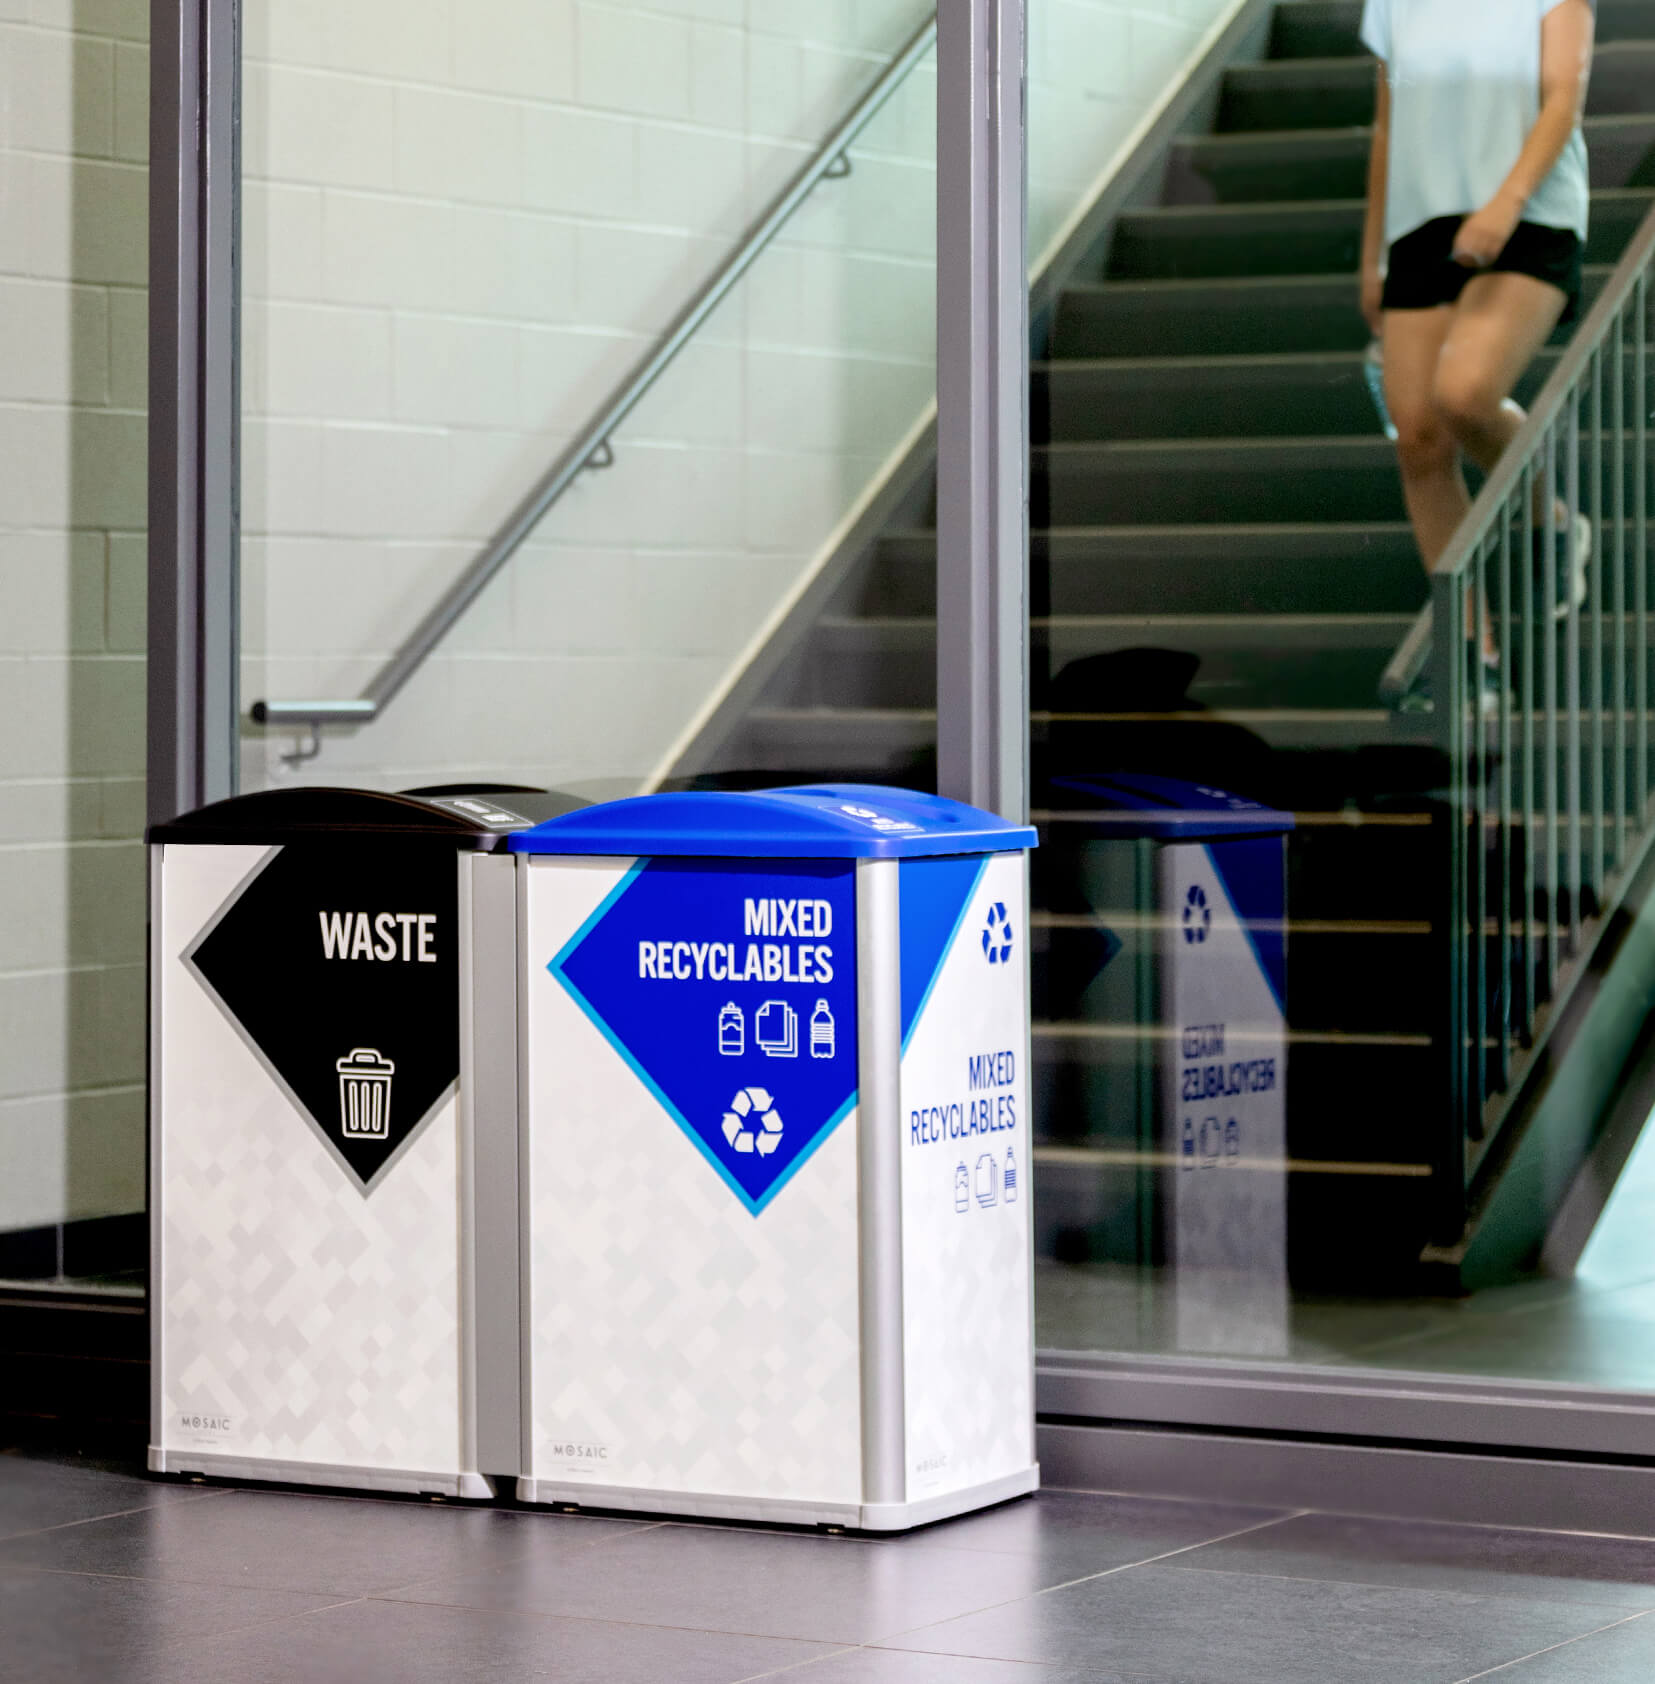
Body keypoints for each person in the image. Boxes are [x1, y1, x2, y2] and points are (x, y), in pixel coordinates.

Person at [1360, 0, 1596, 675]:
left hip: (1528, 213)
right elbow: (1388, 125)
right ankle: (1472, 657)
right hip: (1419, 225)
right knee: (1417, 438)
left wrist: (1504, 203)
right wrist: (1373, 255)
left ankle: (1549, 521)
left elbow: (1561, 101)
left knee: (1462, 395)